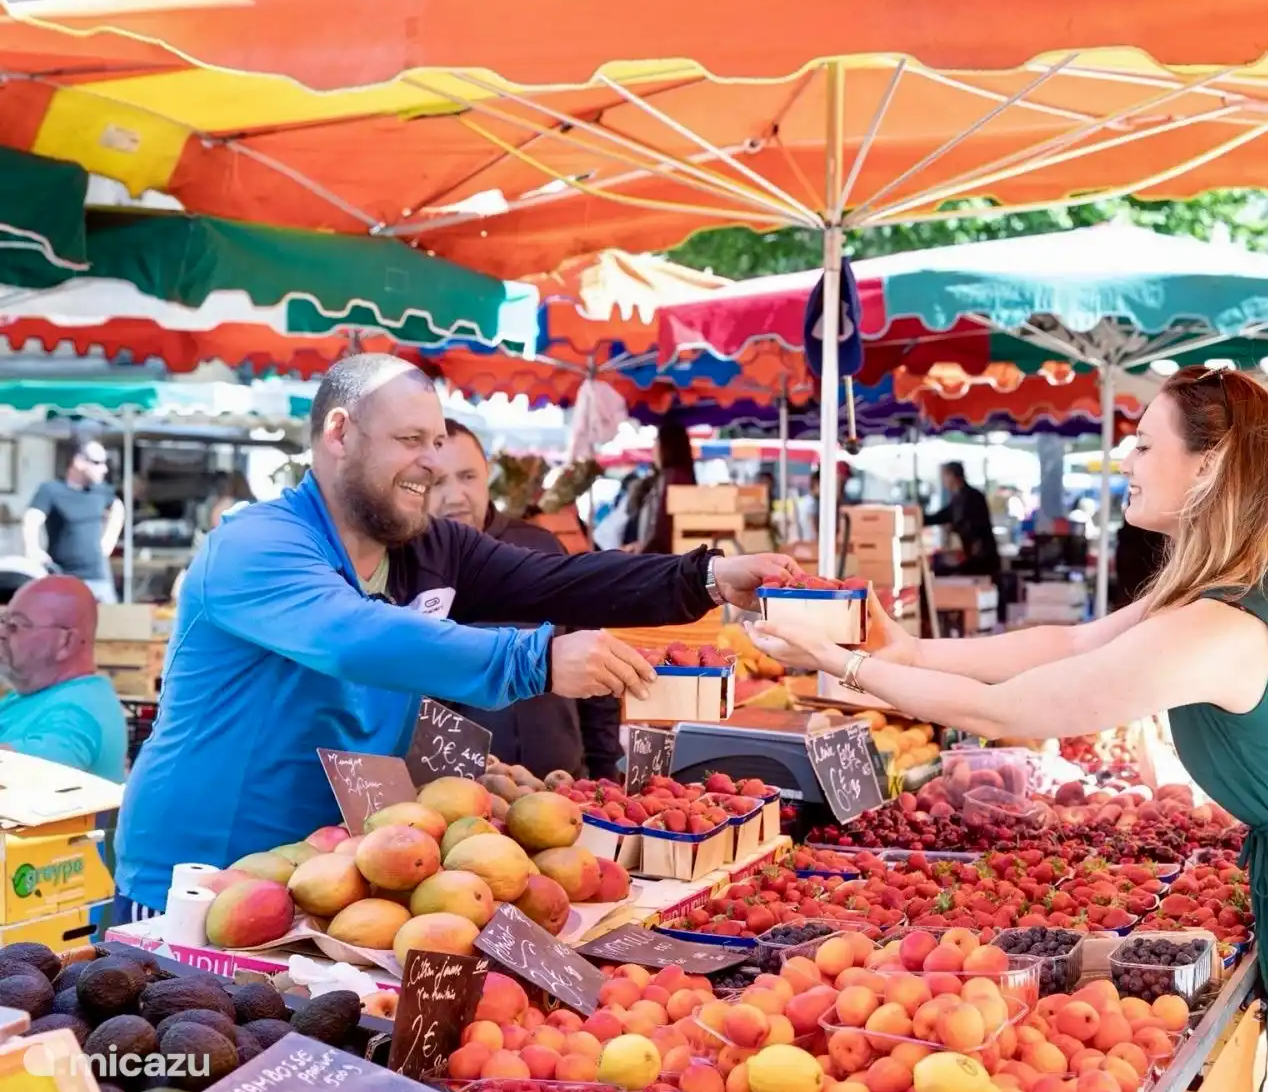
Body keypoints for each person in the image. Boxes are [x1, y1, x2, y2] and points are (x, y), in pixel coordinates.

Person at [751, 365, 1268, 1092]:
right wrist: (902, 651)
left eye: (1142, 446)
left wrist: (841, 665)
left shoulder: (1219, 623)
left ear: (1209, 465)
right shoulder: (1237, 587)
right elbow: (1069, 647)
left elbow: (1010, 712)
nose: (1125, 463)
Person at [113, 354, 798, 920]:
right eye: (411, 441)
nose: (434, 465)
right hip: (200, 874)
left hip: (340, 867)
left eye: (438, 442)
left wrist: (705, 577)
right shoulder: (257, 545)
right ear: (340, 434)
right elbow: (352, 637)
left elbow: (558, 582)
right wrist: (535, 659)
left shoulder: (432, 548)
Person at [428, 420, 620, 780]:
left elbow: (598, 666)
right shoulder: (409, 567)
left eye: (467, 476)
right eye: (437, 482)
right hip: (457, 800)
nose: (455, 496)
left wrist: (605, 769)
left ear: (487, 474)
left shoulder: (542, 548)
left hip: (564, 785)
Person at [0, 575, 126, 782]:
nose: (2, 633)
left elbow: (15, 778)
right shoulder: (43, 694)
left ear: (65, 642)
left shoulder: (74, 714)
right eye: (3, 621)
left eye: (15, 625)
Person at [24, 439, 124, 604]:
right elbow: (32, 518)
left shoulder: (101, 490)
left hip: (98, 577)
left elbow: (118, 508)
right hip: (62, 577)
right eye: (98, 463)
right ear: (79, 462)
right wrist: (33, 549)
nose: (104, 469)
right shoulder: (51, 490)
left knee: (109, 627)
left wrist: (109, 540)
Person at [926, 461, 999, 577]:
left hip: (980, 558)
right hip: (972, 556)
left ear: (952, 476)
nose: (943, 481)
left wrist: (953, 529)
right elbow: (940, 517)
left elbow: (975, 526)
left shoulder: (972, 498)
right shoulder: (958, 499)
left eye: (944, 476)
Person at [637, 419, 697, 554]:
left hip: (665, 560)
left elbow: (662, 526)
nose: (654, 450)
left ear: (667, 446)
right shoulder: (676, 476)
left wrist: (641, 553)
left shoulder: (673, 478)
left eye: (656, 442)